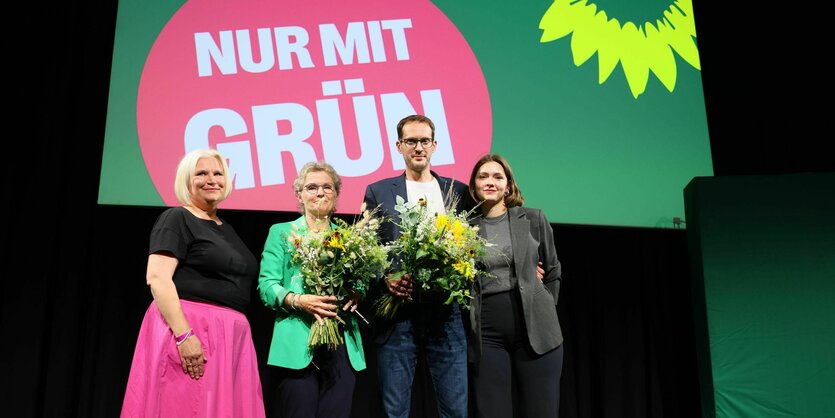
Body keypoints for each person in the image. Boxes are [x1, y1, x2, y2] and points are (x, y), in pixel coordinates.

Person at [121, 149, 266, 418]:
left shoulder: (225, 227)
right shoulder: (177, 218)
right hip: (193, 329)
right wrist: (184, 335)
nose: (211, 179)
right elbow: (158, 278)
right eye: (201, 173)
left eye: (218, 173)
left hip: (230, 336)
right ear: (187, 181)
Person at [363, 114, 472, 418]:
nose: (418, 147)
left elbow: (474, 242)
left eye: (424, 140)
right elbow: (367, 249)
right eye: (411, 141)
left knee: (455, 410)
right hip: (399, 312)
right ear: (399, 145)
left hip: (445, 313)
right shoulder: (379, 191)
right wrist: (387, 275)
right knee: (394, 410)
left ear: (435, 145)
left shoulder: (458, 191)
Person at [258, 161, 366, 418]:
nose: (320, 193)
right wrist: (298, 300)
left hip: (340, 343)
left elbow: (360, 279)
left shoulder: (348, 235)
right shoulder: (281, 232)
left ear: (337, 194)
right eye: (312, 187)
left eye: (327, 187)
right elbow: (267, 285)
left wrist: (357, 291)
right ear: (299, 195)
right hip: (298, 343)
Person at [466, 153, 564, 418]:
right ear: (474, 185)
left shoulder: (533, 219)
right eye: (483, 176)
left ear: (508, 185)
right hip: (486, 336)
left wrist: (540, 304)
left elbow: (553, 271)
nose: (490, 182)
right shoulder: (462, 229)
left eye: (498, 177)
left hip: (536, 330)